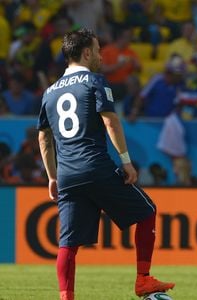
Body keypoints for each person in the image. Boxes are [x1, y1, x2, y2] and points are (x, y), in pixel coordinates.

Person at [37, 28, 175, 300]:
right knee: (147, 211)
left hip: (67, 175)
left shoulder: (49, 93)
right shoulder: (94, 81)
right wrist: (126, 161)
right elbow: (110, 120)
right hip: (95, 166)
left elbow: (44, 137)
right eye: (98, 50)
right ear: (86, 53)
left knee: (68, 244)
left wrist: (52, 177)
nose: (100, 55)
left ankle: (66, 298)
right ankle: (143, 280)